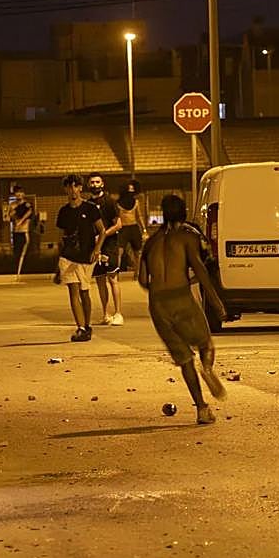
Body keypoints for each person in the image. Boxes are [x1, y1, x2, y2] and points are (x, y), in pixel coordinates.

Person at [139, 194, 226, 424]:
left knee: (185, 359)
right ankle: (207, 369)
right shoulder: (187, 237)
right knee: (205, 343)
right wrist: (217, 302)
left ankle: (201, 408)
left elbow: (142, 280)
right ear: (183, 212)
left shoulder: (152, 242)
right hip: (181, 299)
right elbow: (200, 269)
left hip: (158, 304)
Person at [55, 174, 104, 342]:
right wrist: (58, 263)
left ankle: (87, 325)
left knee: (84, 292)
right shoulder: (63, 211)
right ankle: (81, 327)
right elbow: (60, 237)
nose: (73, 190)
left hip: (86, 255)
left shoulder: (90, 208)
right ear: (65, 189)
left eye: (76, 186)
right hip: (68, 257)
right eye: (69, 187)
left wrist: (97, 250)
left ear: (81, 188)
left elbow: (102, 231)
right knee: (73, 290)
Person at [87, 173, 124, 325]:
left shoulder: (109, 202)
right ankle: (106, 313)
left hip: (109, 245)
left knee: (113, 278)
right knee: (100, 280)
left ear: (102, 184)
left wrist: (103, 236)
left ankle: (118, 313)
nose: (95, 184)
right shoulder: (88, 204)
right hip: (96, 248)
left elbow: (118, 224)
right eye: (92, 182)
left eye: (97, 182)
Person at [117, 179, 148, 278]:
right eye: (129, 190)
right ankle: (116, 272)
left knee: (137, 252)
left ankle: (137, 273)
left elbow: (139, 216)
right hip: (122, 229)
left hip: (134, 228)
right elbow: (116, 217)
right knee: (119, 251)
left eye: (132, 190)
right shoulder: (118, 203)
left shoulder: (136, 202)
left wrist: (144, 229)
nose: (131, 192)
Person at [10, 184, 34, 278]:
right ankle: (16, 272)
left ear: (23, 193)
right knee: (16, 252)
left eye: (20, 192)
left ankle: (22, 272)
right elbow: (10, 216)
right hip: (16, 232)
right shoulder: (12, 205)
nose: (18, 194)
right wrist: (12, 215)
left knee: (24, 253)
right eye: (16, 193)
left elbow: (28, 214)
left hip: (24, 232)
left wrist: (21, 220)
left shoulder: (27, 205)